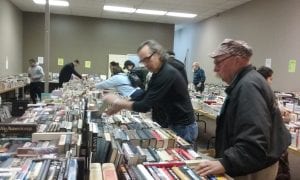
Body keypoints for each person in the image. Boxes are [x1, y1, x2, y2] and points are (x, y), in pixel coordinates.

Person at [193, 39, 291, 179]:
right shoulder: (247, 81)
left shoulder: (248, 86)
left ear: (237, 61)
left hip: (253, 167)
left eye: (218, 62)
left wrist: (226, 163)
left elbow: (255, 139)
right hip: (249, 162)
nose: (215, 69)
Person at [103, 40, 198, 145]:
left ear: (158, 54)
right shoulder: (158, 73)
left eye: (147, 59)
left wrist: (120, 103)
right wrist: (121, 104)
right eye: (142, 61)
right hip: (175, 122)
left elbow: (145, 106)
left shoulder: (167, 73)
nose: (145, 64)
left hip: (184, 127)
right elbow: (146, 94)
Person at [257, 66, 291, 180]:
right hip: (271, 142)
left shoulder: (258, 91)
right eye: (271, 79)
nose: (272, 81)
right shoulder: (264, 94)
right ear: (265, 79)